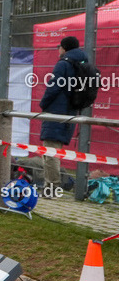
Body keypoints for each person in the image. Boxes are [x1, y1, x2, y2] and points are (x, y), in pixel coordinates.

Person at [39, 36, 88, 188]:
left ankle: (52, 187)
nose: (58, 50)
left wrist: (43, 104)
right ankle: (52, 185)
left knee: (50, 151)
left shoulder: (63, 64)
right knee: (54, 150)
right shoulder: (83, 64)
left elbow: (53, 87)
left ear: (64, 48)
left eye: (59, 47)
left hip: (56, 112)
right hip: (70, 111)